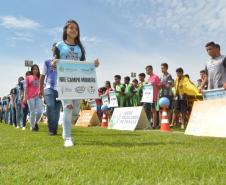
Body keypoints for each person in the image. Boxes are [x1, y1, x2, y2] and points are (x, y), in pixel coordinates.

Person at [52, 19, 99, 147]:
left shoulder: (80, 48)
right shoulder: (59, 45)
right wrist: (54, 63)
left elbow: (83, 65)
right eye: (71, 27)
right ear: (66, 30)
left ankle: (65, 125)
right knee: (68, 108)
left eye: (76, 29)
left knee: (75, 111)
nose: (73, 30)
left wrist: (93, 65)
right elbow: (54, 62)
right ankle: (67, 137)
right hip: (64, 82)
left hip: (77, 83)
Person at [39, 43, 62, 136]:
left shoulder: (64, 62)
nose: (56, 48)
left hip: (61, 89)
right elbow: (42, 77)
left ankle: (54, 129)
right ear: (52, 49)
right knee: (50, 106)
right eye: (54, 47)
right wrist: (40, 90)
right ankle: (50, 128)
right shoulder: (47, 62)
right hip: (49, 88)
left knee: (57, 110)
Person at [25, 64, 43, 131]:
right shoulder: (28, 77)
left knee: (39, 111)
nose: (35, 70)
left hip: (38, 96)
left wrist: (42, 94)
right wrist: (25, 97)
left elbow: (42, 87)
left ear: (38, 70)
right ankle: (32, 127)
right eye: (34, 69)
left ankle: (35, 123)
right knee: (32, 112)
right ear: (32, 70)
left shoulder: (40, 77)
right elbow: (26, 88)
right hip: (30, 97)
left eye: (36, 69)